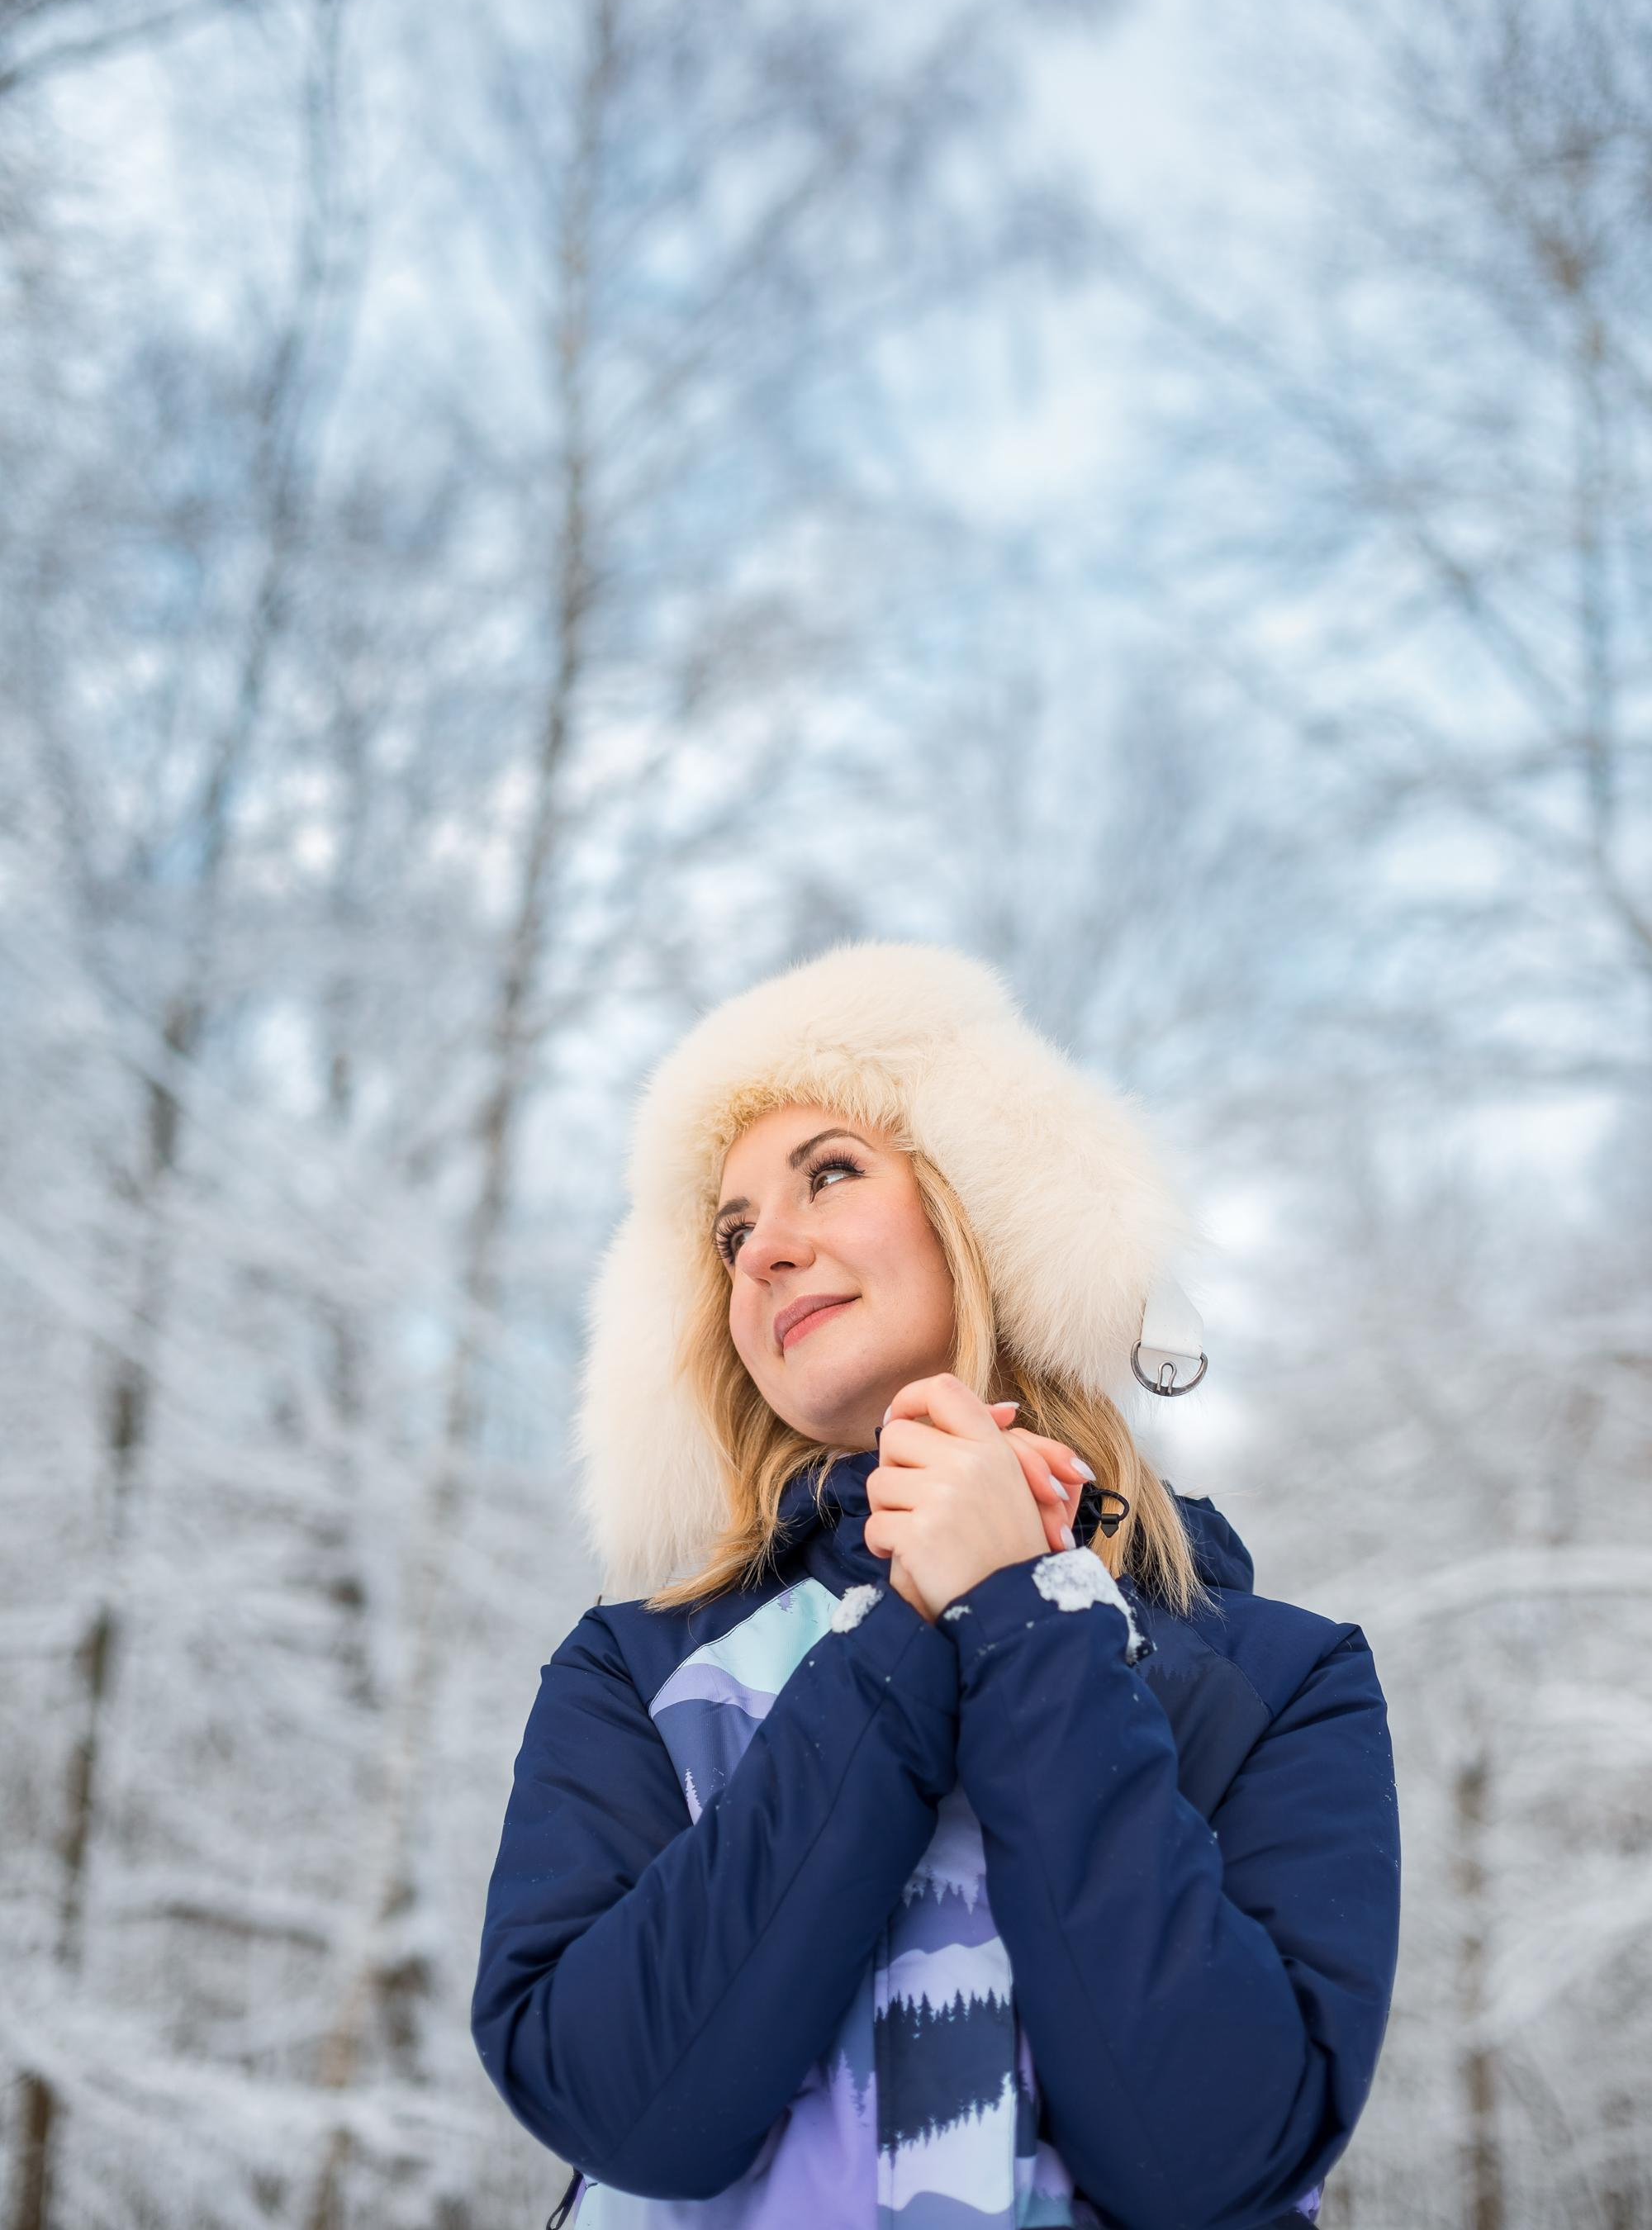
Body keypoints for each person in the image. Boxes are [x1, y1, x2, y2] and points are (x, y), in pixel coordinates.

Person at [471, 942, 1401, 2230]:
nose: (759, 1254)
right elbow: (627, 2106)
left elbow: (1213, 2159)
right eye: (730, 1231)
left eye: (831, 1173)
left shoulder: (1279, 1682)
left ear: (991, 1215)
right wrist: (907, 1631)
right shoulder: (631, 1671)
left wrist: (1026, 1621)